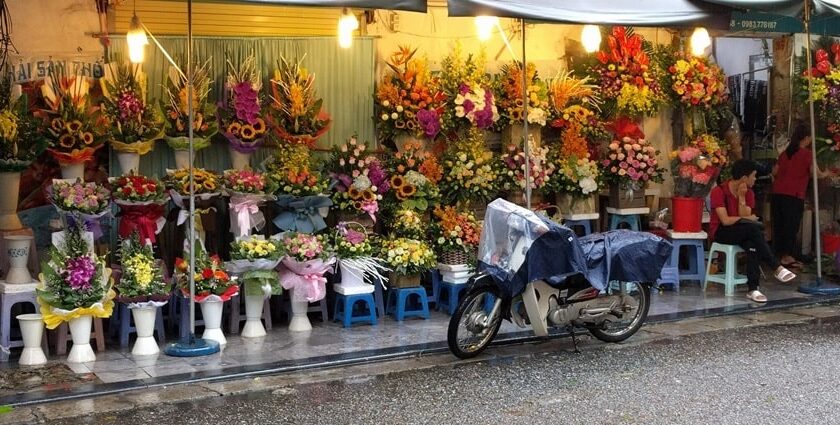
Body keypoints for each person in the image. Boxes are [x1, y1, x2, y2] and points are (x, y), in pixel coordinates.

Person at [709, 159, 796, 303]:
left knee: (752, 243)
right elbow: (725, 220)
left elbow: (746, 217)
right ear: (744, 177)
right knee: (752, 229)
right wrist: (745, 218)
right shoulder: (719, 191)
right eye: (753, 176)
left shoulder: (748, 193)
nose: (755, 179)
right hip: (721, 231)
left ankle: (753, 288)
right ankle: (775, 266)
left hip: (742, 230)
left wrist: (742, 198)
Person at [771, 122, 835, 269]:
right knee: (791, 226)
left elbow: (775, 172)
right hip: (793, 195)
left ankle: (781, 255)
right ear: (806, 138)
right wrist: (827, 173)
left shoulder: (785, 153)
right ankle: (787, 257)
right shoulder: (806, 154)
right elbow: (815, 174)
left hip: (778, 193)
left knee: (780, 225)